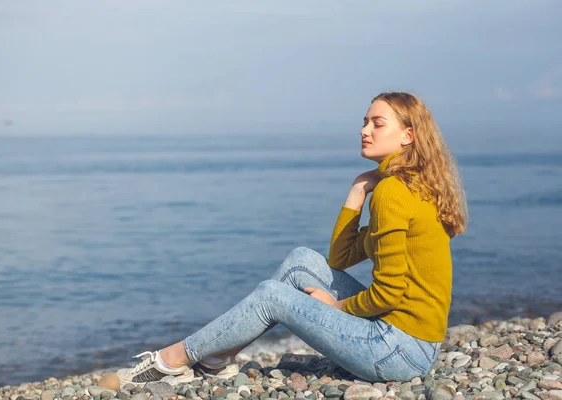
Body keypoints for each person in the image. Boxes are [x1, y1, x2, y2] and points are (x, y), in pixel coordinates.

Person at [98, 92, 468, 390]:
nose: (364, 130)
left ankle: (170, 360)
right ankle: (216, 360)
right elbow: (339, 260)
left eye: (377, 123)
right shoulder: (410, 185)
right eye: (364, 121)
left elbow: (389, 294)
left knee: (271, 296)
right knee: (302, 260)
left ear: (408, 135)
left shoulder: (392, 192)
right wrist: (357, 191)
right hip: (416, 343)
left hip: (398, 351)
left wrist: (335, 307)